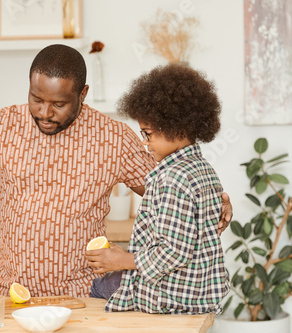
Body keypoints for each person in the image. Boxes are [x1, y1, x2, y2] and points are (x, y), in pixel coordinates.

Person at [0, 44, 233, 297]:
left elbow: (171, 183)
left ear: (83, 94)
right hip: (11, 294)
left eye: (58, 104)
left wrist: (211, 199)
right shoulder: (3, 125)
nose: (45, 113)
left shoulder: (113, 138)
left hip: (85, 296)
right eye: (36, 99)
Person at [86, 64, 230, 314]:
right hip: (199, 290)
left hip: (170, 295)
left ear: (177, 128)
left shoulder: (172, 177)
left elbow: (173, 252)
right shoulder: (203, 168)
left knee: (97, 289)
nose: (144, 142)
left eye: (148, 133)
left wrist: (123, 260)